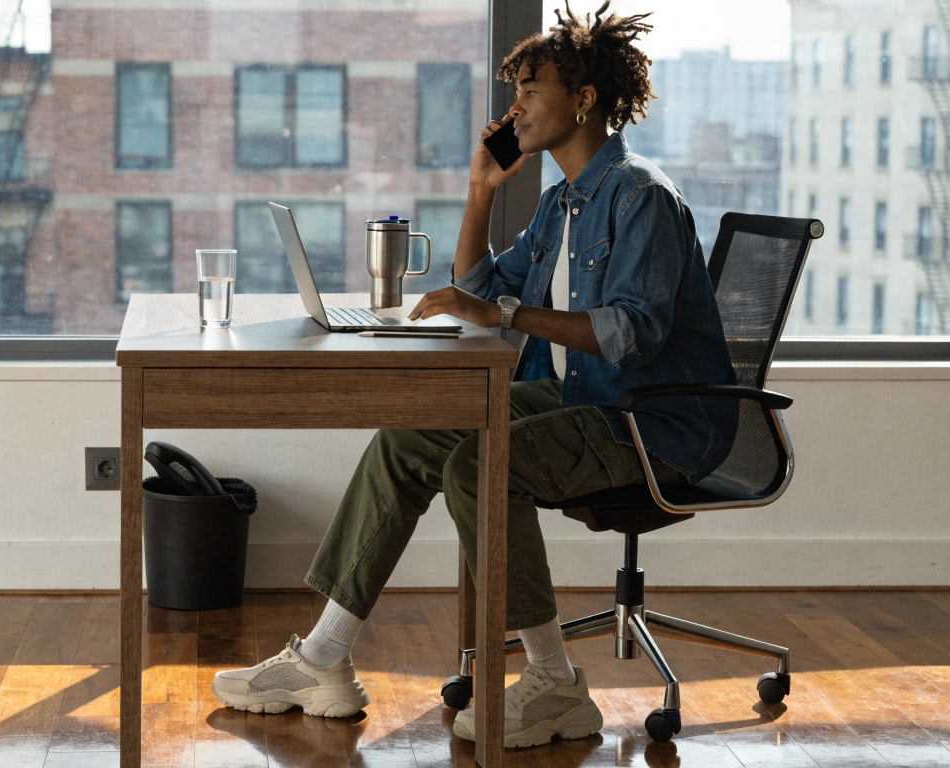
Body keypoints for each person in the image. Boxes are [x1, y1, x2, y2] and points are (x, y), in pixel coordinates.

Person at [212, 0, 738, 749]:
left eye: (530, 91)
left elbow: (630, 332)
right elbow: (481, 289)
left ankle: (556, 683)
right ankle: (323, 657)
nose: (513, 107)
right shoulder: (565, 199)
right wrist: (481, 190)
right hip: (586, 397)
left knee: (481, 464)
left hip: (654, 423)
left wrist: (509, 317)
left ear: (584, 100)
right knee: (410, 437)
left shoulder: (640, 197)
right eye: (512, 91)